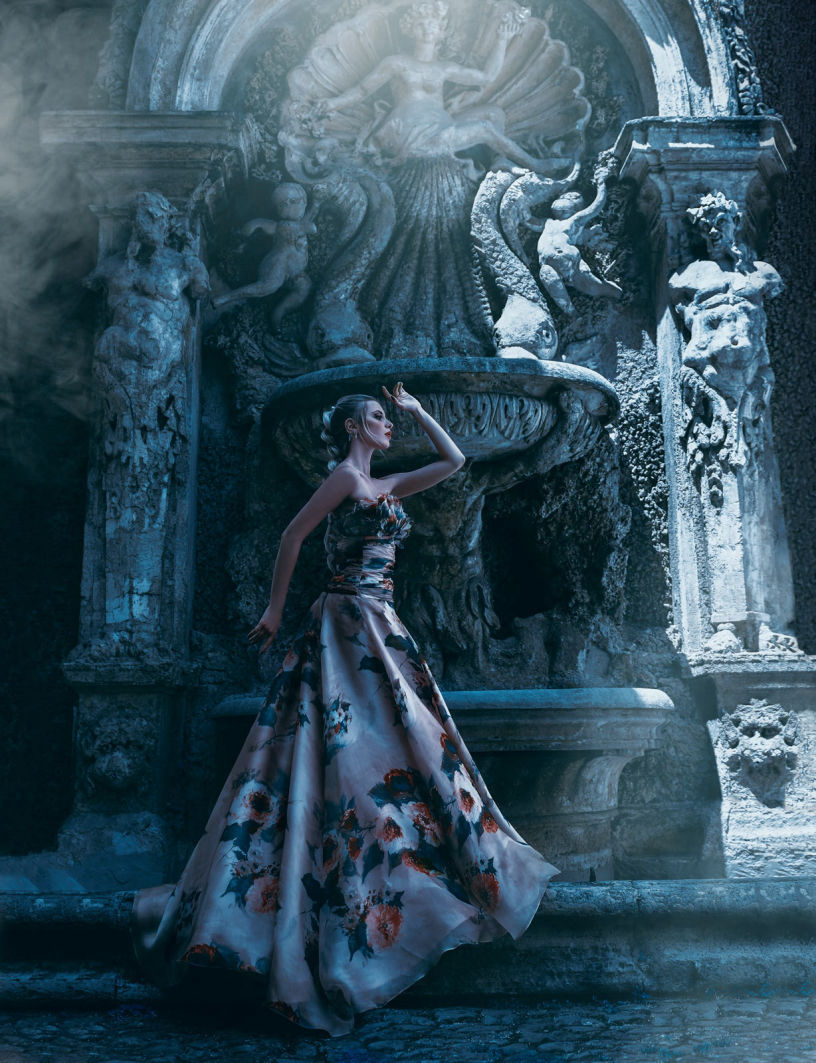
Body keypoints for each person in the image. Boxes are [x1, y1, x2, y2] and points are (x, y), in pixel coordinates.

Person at [131, 382, 557, 1036]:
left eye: (390, 417)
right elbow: (292, 536)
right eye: (383, 417)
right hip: (344, 622)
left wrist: (418, 411)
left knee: (412, 742)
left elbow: (454, 462)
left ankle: (421, 877)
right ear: (358, 423)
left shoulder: (381, 484)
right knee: (339, 751)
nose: (390, 426)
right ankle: (323, 908)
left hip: (379, 625)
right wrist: (274, 610)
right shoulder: (343, 479)